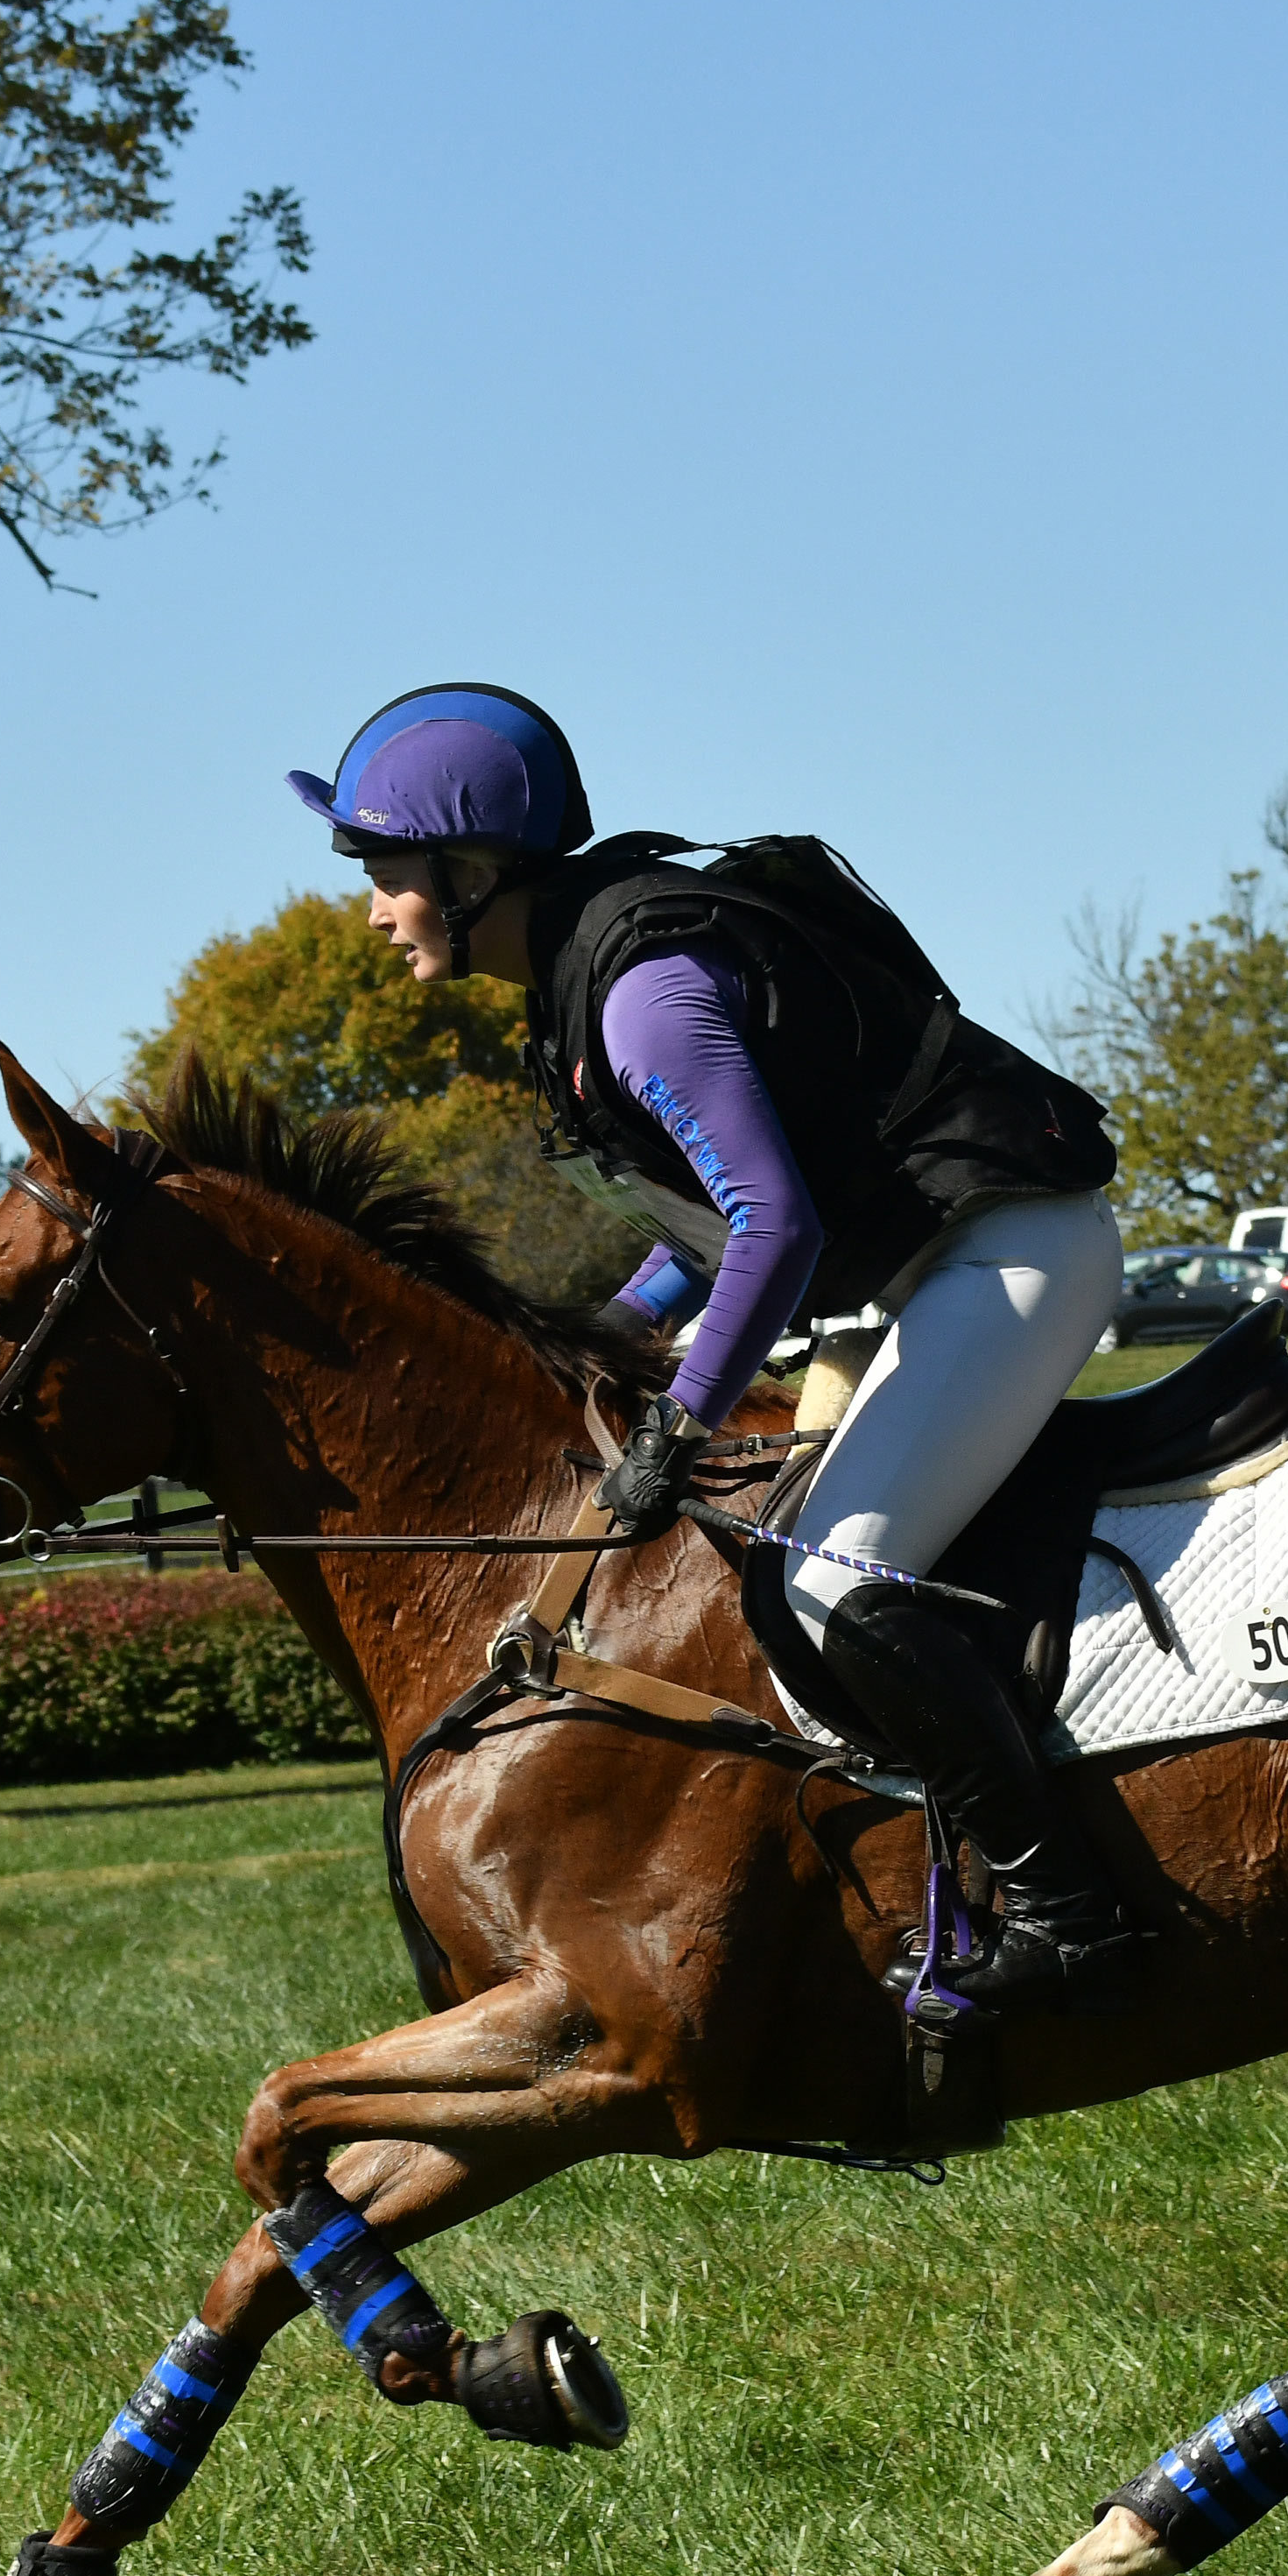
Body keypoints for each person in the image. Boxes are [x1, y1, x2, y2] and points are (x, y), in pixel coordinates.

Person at [287, 681, 1150, 2013]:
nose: (372, 906)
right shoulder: (587, 980)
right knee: (759, 1578)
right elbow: (711, 1226)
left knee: (835, 1579)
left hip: (1013, 1250)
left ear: (467, 870)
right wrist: (613, 1335)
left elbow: (777, 1223)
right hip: (927, 1270)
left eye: (385, 871)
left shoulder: (638, 991)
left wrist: (675, 1418)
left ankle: (1067, 1910)